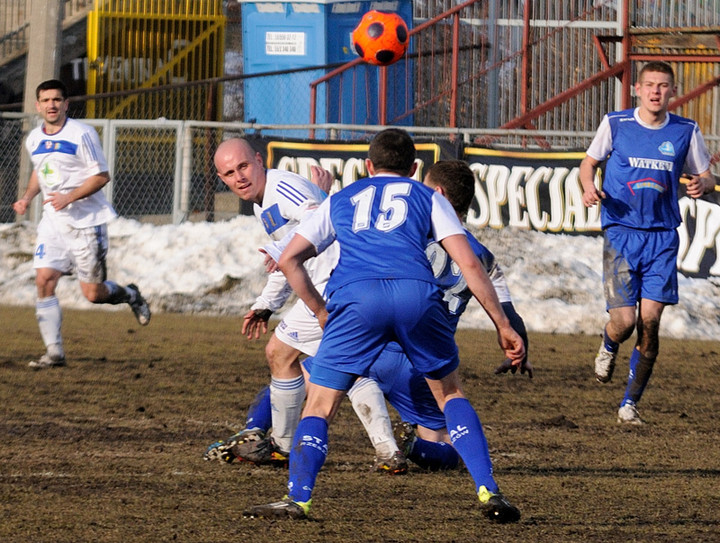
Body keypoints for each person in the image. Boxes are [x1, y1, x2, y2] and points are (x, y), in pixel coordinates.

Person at [244, 128, 525, 523]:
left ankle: (298, 498)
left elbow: (290, 259)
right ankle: (489, 492)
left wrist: (321, 311)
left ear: (367, 166)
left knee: (321, 405)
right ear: (413, 168)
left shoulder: (340, 199)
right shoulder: (428, 196)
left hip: (357, 299)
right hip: (416, 296)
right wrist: (502, 324)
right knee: (450, 394)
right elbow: (470, 263)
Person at [206, 138, 406, 472]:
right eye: (229, 173)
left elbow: (315, 216)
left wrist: (282, 249)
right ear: (222, 178)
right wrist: (266, 305)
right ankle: (389, 452)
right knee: (348, 367)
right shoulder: (263, 202)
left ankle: (283, 446)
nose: (239, 177)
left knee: (279, 354)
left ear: (258, 160)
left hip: (334, 285)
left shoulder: (281, 186)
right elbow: (292, 256)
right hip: (345, 282)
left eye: (243, 166)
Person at [580, 61, 715, 424]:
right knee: (624, 322)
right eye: (650, 85)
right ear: (637, 89)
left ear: (672, 91)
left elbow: (707, 175)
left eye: (663, 85)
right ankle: (609, 344)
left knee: (650, 321)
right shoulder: (616, 123)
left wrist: (704, 184)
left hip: (662, 239)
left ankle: (629, 404)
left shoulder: (686, 130)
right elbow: (588, 163)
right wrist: (589, 186)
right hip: (622, 234)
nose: (656, 91)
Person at [12, 79, 150, 369]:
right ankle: (54, 352)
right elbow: (41, 171)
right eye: (46, 100)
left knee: (92, 294)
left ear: (66, 104)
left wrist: (69, 197)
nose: (51, 105)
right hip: (53, 222)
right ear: (37, 106)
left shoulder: (82, 134)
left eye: (57, 100)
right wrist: (27, 197)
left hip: (87, 223)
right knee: (44, 279)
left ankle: (130, 294)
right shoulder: (34, 139)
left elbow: (101, 176)